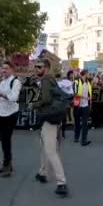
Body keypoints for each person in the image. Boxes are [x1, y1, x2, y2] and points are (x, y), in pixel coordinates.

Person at [31, 58, 69, 198]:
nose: (36, 69)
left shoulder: (46, 80)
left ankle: (61, 183)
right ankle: (43, 173)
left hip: (49, 118)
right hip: (53, 117)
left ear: (46, 68)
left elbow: (46, 99)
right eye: (36, 66)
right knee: (44, 146)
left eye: (39, 67)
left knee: (50, 150)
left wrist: (33, 105)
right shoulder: (51, 79)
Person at [0, 61, 22, 177]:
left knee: (7, 139)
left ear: (12, 69)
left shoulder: (16, 82)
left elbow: (14, 97)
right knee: (3, 140)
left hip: (11, 113)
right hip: (1, 113)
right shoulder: (2, 82)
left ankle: (7, 165)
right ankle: (6, 163)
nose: (4, 71)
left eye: (6, 68)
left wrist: (2, 95)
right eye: (2, 68)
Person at [72, 70, 93, 146]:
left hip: (86, 105)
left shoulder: (88, 83)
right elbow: (74, 93)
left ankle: (84, 140)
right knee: (77, 122)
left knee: (85, 123)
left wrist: (89, 101)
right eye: (88, 74)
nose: (89, 75)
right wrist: (84, 97)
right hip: (78, 105)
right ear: (85, 74)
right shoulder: (76, 82)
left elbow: (89, 93)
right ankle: (76, 137)